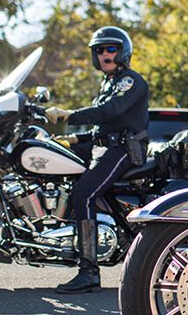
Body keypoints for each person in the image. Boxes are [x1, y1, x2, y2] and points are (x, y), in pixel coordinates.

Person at [46, 26, 149, 294]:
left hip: (123, 151)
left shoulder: (131, 81)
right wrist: (72, 141)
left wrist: (69, 115)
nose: (104, 54)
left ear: (122, 52)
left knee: (84, 195)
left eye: (110, 49)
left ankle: (89, 271)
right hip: (104, 149)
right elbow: (99, 131)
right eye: (99, 50)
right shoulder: (108, 83)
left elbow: (107, 112)